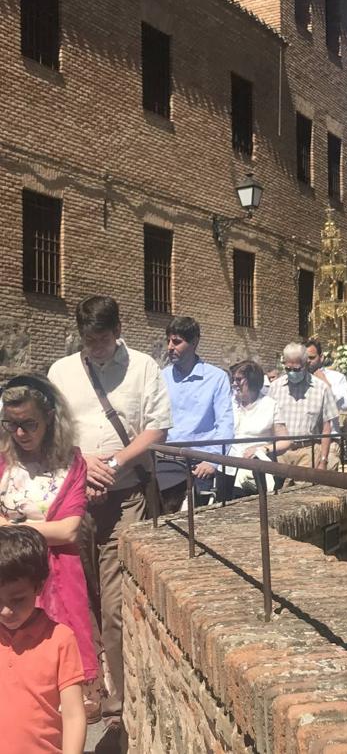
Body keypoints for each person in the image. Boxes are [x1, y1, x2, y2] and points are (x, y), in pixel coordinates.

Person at [48, 295, 172, 745]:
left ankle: (117, 704)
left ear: (117, 330)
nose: (95, 348)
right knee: (77, 599)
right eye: (88, 340)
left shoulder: (143, 368)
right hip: (74, 501)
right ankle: (86, 687)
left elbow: (157, 427)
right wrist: (82, 463)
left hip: (125, 497)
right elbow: (53, 430)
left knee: (116, 605)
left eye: (101, 339)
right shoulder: (62, 372)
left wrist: (114, 463)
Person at [0, 374, 97, 684]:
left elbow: (68, 531)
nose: (19, 432)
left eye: (29, 424)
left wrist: (9, 527)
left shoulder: (72, 463)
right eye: (10, 424)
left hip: (56, 580)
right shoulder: (2, 461)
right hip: (8, 578)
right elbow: (55, 530)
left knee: (56, 672)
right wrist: (42, 529)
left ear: (50, 418)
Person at [0, 525, 86, 754]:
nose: (6, 611)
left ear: (38, 587)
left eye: (17, 600)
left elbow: (73, 715)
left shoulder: (60, 639)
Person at [157, 316, 234, 509]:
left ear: (194, 342)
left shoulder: (216, 378)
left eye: (176, 342)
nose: (170, 347)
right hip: (164, 461)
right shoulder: (161, 377)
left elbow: (225, 423)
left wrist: (213, 461)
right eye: (168, 341)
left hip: (199, 465)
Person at [269, 343, 338, 470]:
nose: (292, 373)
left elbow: (326, 428)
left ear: (306, 364)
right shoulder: (275, 388)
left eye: (296, 369)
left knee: (303, 489)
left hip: (308, 451)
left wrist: (323, 460)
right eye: (288, 369)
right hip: (280, 454)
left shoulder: (321, 389)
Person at [228, 361, 290, 495]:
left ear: (252, 380)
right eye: (233, 379)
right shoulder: (229, 404)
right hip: (228, 467)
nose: (234, 384)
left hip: (255, 471)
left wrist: (262, 449)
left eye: (238, 380)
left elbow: (285, 441)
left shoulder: (270, 405)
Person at [305, 338, 347, 431]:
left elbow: (345, 405)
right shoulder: (299, 379)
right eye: (305, 358)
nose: (308, 361)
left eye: (312, 357)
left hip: (330, 435)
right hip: (306, 438)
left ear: (321, 357)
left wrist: (325, 382)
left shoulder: (337, 377)